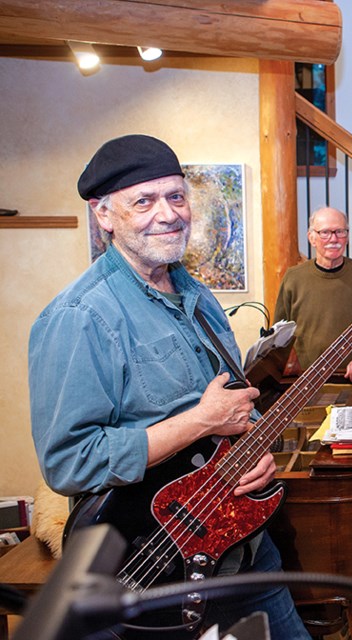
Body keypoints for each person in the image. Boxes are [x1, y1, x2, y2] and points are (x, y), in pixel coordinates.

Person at [28, 134, 311, 639]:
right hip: (155, 557)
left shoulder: (196, 294)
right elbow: (69, 462)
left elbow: (233, 400)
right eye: (144, 201)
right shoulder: (80, 316)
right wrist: (198, 422)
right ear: (104, 215)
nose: (169, 213)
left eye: (176, 196)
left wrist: (255, 444)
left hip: (244, 542)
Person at [273, 206, 352, 381]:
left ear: (347, 237)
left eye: (340, 231)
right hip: (304, 382)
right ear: (311, 238)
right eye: (325, 232)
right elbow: (278, 334)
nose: (333, 239)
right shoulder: (293, 277)